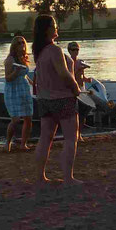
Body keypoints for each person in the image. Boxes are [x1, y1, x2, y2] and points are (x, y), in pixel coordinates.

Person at [32, 15, 83, 185]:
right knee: (70, 138)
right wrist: (76, 87)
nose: (57, 27)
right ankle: (68, 178)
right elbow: (63, 74)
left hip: (45, 100)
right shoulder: (54, 50)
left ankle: (40, 177)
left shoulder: (39, 51)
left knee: (45, 138)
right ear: (47, 29)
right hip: (62, 99)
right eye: (54, 25)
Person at [3, 36, 34, 152]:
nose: (21, 44)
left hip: (24, 89)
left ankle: (23, 144)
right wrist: (15, 72)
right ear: (14, 45)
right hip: (13, 91)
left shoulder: (24, 58)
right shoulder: (10, 59)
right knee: (15, 119)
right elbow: (7, 78)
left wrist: (33, 84)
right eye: (19, 43)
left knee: (28, 118)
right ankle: (8, 142)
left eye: (23, 42)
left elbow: (24, 75)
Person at [66, 41, 88, 143]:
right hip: (73, 90)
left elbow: (82, 77)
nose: (76, 51)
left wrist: (87, 79)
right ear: (69, 51)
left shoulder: (80, 61)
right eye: (73, 50)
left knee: (82, 113)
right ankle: (74, 135)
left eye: (77, 49)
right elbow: (70, 77)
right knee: (75, 113)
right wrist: (78, 70)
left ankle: (79, 135)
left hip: (81, 88)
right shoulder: (67, 62)